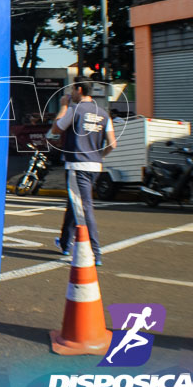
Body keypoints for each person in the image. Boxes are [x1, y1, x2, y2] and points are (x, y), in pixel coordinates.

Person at [50, 81, 116, 265]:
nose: (71, 93)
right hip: (94, 166)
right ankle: (64, 243)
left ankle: (95, 252)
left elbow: (56, 129)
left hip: (76, 165)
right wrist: (98, 156)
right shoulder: (103, 113)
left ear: (79, 90)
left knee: (84, 207)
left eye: (72, 89)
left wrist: (63, 106)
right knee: (74, 203)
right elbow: (112, 143)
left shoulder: (75, 110)